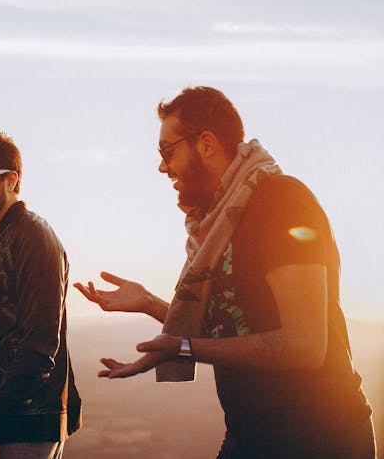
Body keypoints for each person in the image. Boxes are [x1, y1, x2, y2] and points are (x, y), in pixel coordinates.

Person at [75, 86, 375, 459]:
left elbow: (304, 345)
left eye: (168, 151)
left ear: (206, 144)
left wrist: (184, 348)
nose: (162, 166)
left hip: (319, 437)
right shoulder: (217, 226)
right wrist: (150, 303)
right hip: (250, 434)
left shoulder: (281, 201)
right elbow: (234, 326)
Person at [0, 132, 82, 459]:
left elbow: (37, 347)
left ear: (11, 180)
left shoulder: (32, 236)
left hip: (19, 426)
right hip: (0, 423)